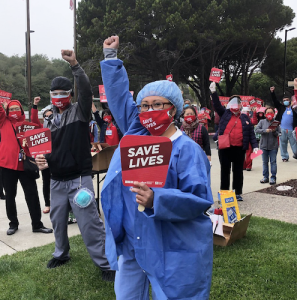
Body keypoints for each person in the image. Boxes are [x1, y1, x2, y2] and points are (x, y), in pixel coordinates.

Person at [100, 36, 213, 300]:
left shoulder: (187, 150)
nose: (149, 111)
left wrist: (156, 199)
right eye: (144, 106)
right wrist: (110, 58)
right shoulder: (138, 133)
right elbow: (118, 100)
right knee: (127, 294)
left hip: (169, 243)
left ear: (173, 109)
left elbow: (199, 199)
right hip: (133, 239)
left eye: (157, 105)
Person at [35, 50, 114, 281]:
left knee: (89, 223)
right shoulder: (49, 121)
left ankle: (106, 264)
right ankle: (61, 253)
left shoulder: (79, 111)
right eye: (54, 93)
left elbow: (87, 90)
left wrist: (75, 66)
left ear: (70, 94)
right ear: (50, 96)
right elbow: (47, 151)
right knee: (57, 221)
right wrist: (42, 160)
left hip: (79, 178)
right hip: (56, 180)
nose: (59, 96)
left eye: (63, 93)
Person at [0, 93, 53, 235]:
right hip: (8, 165)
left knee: (32, 195)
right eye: (12, 109)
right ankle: (13, 224)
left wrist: (34, 107)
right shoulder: (3, 122)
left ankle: (37, 224)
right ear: (7, 111)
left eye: (17, 108)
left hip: (25, 165)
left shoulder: (27, 125)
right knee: (10, 196)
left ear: (22, 111)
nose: (14, 111)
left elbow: (37, 126)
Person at [210, 82, 258, 201]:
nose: (236, 105)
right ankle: (225, 193)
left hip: (239, 148)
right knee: (225, 171)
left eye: (238, 102)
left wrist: (255, 145)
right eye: (234, 102)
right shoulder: (225, 114)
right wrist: (213, 92)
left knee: (238, 171)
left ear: (241, 105)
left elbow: (251, 132)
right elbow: (216, 105)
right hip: (225, 148)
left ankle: (237, 193)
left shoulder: (245, 117)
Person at [31, 97, 52, 214]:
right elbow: (34, 120)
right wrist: (35, 105)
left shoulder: (59, 126)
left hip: (58, 159)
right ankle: (48, 204)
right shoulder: (41, 128)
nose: (48, 117)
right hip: (45, 159)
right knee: (46, 181)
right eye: (46, 116)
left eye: (50, 115)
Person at [270, 86, 297, 162]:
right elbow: (275, 101)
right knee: (283, 144)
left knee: (294, 143)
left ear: (290, 101)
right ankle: (284, 157)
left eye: (287, 100)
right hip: (282, 129)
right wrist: (272, 92)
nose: (285, 101)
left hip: (292, 130)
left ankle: (296, 154)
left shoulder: (294, 108)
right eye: (284, 100)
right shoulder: (281, 107)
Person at [255, 107, 280, 185]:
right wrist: (265, 131)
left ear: (274, 114)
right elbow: (256, 130)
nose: (269, 114)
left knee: (273, 162)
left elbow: (280, 133)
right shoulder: (262, 122)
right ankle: (265, 177)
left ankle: (273, 177)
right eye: (268, 112)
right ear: (265, 114)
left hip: (273, 146)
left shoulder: (276, 123)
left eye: (271, 112)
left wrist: (274, 131)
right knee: (265, 162)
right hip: (263, 146)